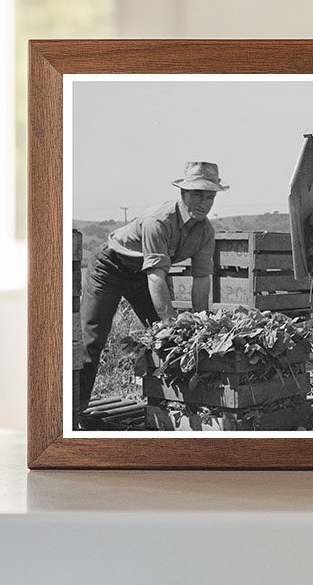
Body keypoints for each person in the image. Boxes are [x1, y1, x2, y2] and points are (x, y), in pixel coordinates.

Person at [77, 161, 228, 417]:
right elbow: (157, 278)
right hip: (111, 268)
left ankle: (168, 404)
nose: (204, 203)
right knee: (92, 341)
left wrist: (200, 327)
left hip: (142, 276)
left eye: (210, 196)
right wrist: (171, 324)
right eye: (197, 195)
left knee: (165, 341)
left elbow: (201, 280)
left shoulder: (205, 232)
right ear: (182, 194)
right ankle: (72, 412)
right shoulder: (158, 221)